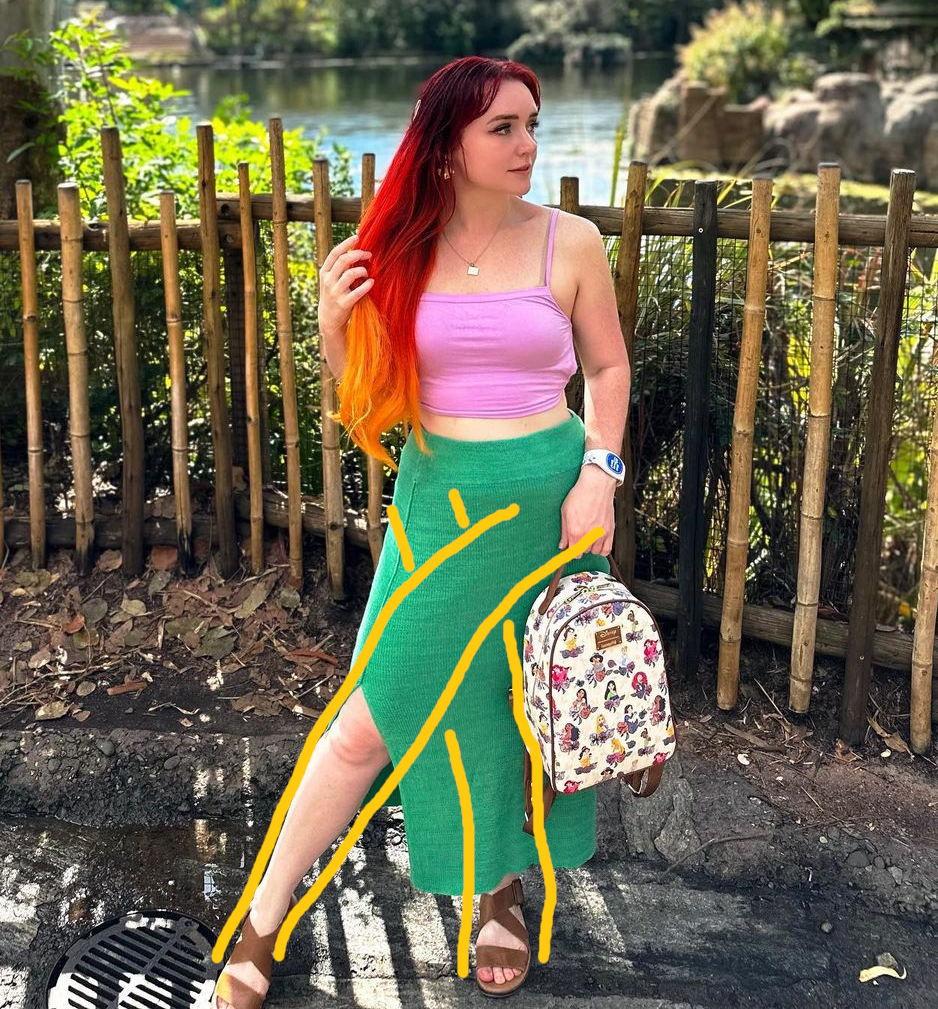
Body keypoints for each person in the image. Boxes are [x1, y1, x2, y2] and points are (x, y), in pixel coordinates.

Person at [212, 55, 631, 1006]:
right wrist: (332, 324)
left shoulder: (572, 243)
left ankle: (500, 893)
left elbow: (608, 369)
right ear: (446, 146)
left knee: (524, 709)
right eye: (503, 128)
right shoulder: (397, 248)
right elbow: (369, 401)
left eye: (532, 124)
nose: (527, 144)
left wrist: (599, 476)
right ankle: (264, 917)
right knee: (369, 723)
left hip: (552, 507)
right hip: (442, 509)